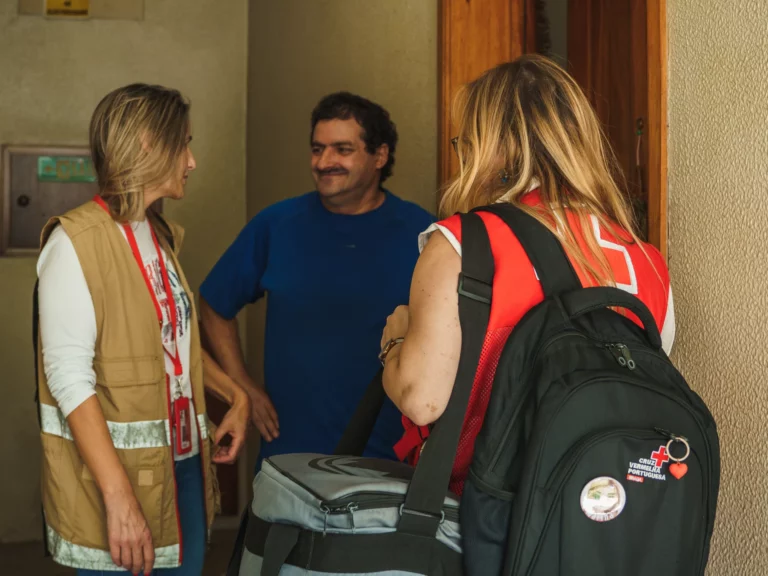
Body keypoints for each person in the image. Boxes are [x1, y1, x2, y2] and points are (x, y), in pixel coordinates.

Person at [379, 55, 675, 495]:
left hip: (486, 519)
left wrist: (395, 342)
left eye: (466, 143)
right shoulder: (646, 259)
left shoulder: (465, 243)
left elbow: (423, 401)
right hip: (600, 517)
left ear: (491, 147)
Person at [36, 83, 250, 575]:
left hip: (180, 470)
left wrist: (234, 396)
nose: (192, 161)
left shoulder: (158, 235)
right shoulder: (74, 245)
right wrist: (119, 499)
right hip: (118, 483)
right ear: (150, 144)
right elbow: (68, 378)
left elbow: (174, 346)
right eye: (185, 144)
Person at [199, 92, 434, 473]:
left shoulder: (423, 233)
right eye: (317, 149)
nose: (325, 162)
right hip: (291, 452)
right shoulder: (276, 225)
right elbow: (213, 304)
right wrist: (241, 385)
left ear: (379, 156)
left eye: (342, 149)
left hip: (389, 455)